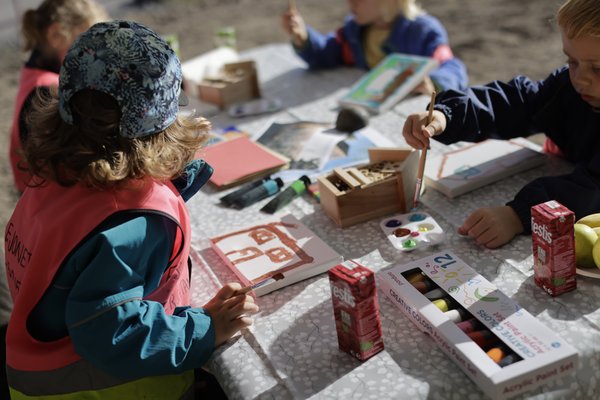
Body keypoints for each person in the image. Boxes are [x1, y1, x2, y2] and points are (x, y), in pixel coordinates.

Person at [4, 20, 259, 399]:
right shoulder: (136, 221)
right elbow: (114, 334)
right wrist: (205, 329)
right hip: (107, 388)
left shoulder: (55, 176)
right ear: (164, 122)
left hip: (37, 376)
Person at [402, 0, 600, 249]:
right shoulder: (567, 87)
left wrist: (520, 214)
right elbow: (516, 102)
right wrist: (446, 115)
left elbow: (593, 191)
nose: (580, 79)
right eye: (572, 61)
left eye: (597, 68)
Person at [9, 0, 108, 193]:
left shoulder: (32, 74)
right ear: (56, 35)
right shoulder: (49, 91)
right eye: (87, 46)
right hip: (47, 197)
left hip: (34, 193)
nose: (92, 56)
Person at [280, 0, 468, 93]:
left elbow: (452, 68)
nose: (350, 2)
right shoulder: (355, 30)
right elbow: (327, 53)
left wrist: (433, 83)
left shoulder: (422, 32)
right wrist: (303, 38)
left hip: (414, 121)